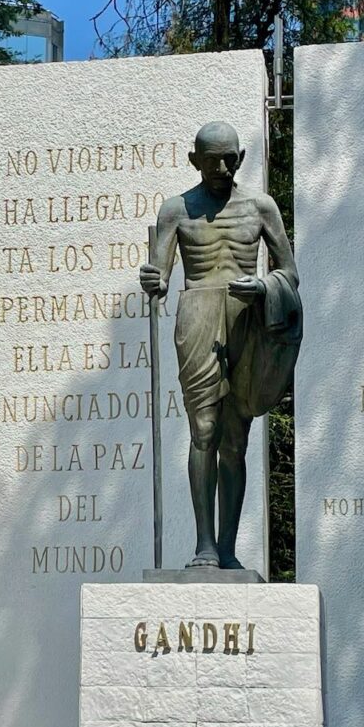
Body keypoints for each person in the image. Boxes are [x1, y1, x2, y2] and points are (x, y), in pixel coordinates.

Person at [140, 121, 302, 570]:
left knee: (236, 439)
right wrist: (153, 279)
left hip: (247, 316)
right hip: (198, 319)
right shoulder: (176, 211)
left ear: (241, 158)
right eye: (211, 160)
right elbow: (161, 275)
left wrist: (267, 285)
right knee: (204, 432)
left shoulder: (261, 207)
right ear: (195, 161)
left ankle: (227, 548)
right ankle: (204, 546)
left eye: (229, 159)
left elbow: (290, 273)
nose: (221, 168)